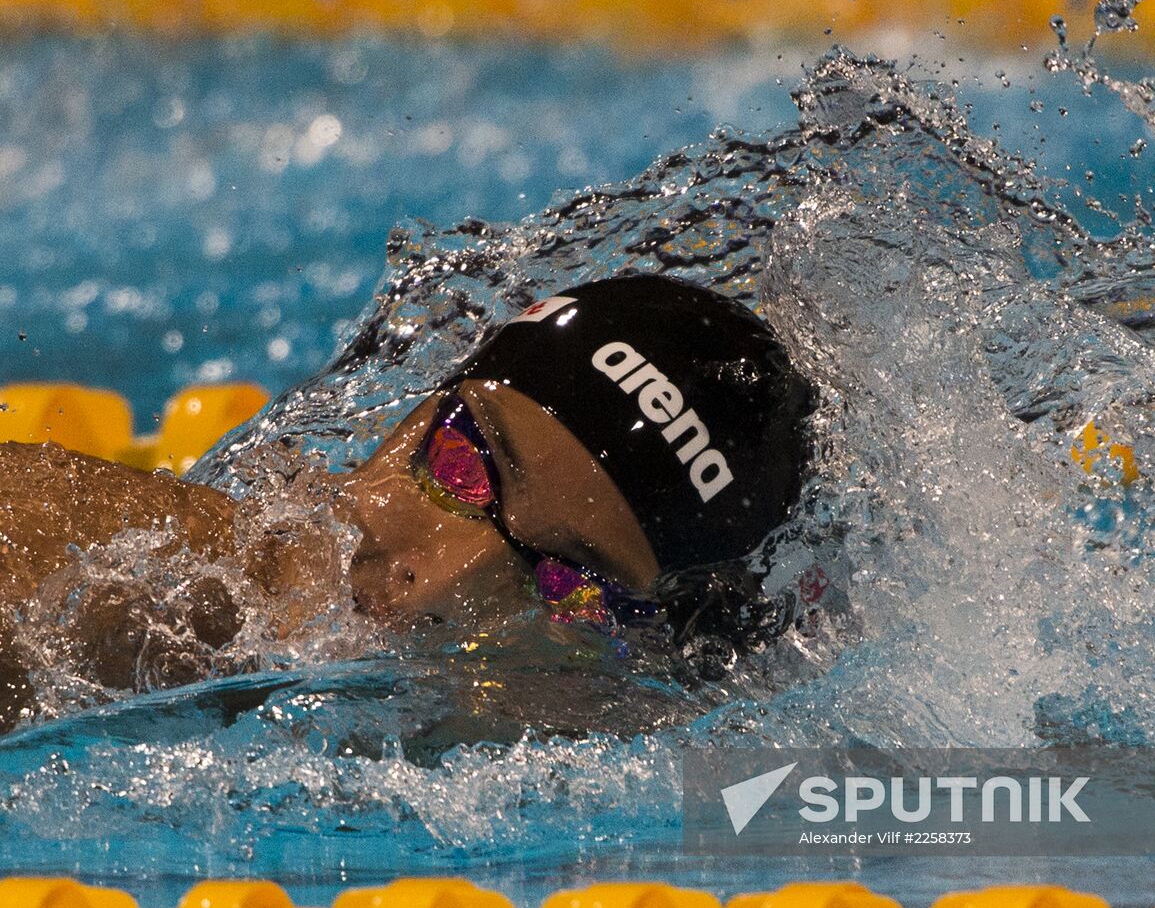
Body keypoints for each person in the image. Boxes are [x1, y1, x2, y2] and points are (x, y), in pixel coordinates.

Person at [0, 274, 814, 729]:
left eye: (570, 583)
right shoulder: (91, 564)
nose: (447, 578)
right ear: (413, 412)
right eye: (461, 465)